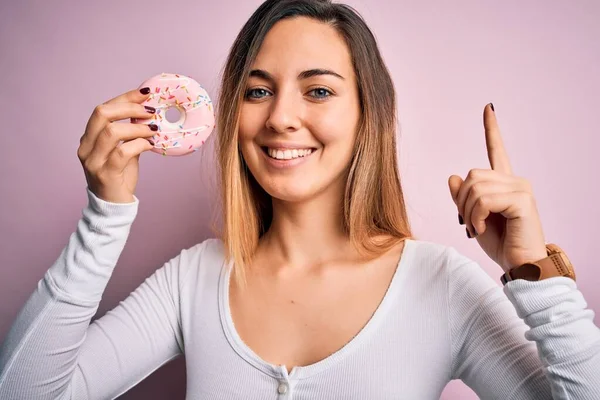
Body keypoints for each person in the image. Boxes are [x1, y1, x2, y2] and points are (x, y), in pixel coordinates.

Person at [1, 0, 599, 398]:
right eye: (259, 90)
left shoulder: (441, 286)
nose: (281, 117)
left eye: (318, 90)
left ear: (369, 114)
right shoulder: (195, 280)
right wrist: (105, 216)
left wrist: (536, 274)